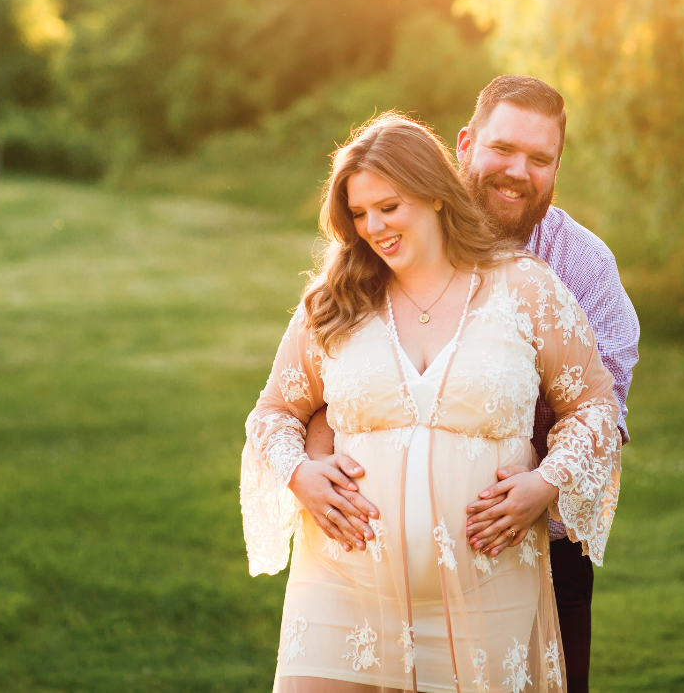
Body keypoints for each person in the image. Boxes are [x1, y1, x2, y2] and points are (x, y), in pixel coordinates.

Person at [242, 112, 623, 692]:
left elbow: (594, 408)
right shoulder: (335, 302)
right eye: (360, 213)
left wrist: (545, 483)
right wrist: (299, 472)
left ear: (436, 196)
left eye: (388, 208)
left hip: (486, 594)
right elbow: (273, 412)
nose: (374, 227)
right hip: (341, 592)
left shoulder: (526, 287)